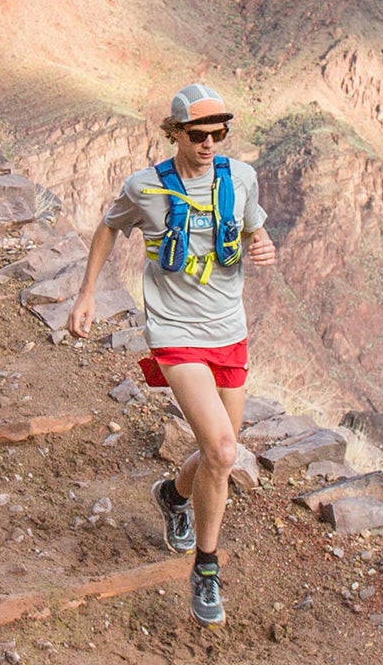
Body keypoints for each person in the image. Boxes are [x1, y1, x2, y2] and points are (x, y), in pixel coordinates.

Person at [68, 82, 277, 626]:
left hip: (229, 329)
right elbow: (108, 229)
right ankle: (206, 570)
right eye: (198, 134)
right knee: (224, 451)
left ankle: (171, 494)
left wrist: (265, 244)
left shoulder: (241, 179)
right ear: (175, 134)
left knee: (218, 456)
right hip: (175, 331)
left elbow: (255, 229)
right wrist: (88, 293)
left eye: (219, 133)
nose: (210, 143)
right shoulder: (145, 189)